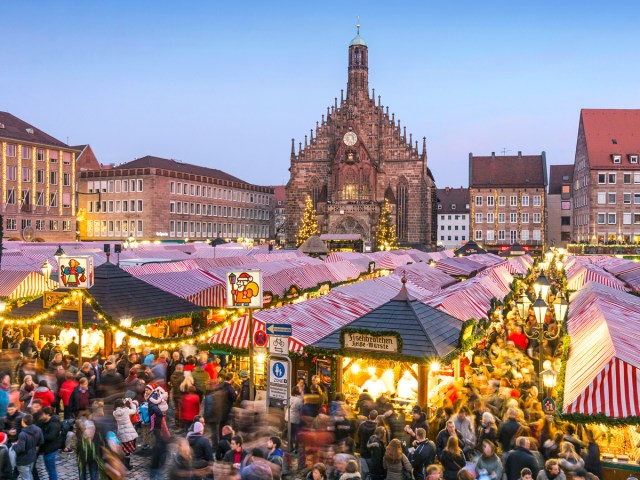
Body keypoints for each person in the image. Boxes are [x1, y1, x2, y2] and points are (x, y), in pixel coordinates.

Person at [13, 414, 44, 480]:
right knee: (29, 475)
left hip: (23, 460)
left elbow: (21, 449)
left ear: (23, 422)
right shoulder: (38, 429)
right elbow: (41, 441)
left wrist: (14, 446)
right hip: (32, 456)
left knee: (26, 478)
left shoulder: (22, 434)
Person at [113, 398, 138, 470]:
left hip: (121, 432)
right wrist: (131, 403)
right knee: (128, 450)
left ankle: (122, 463)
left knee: (123, 449)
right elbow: (134, 411)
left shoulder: (114, 413)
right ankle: (127, 465)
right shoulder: (126, 410)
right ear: (122, 404)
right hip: (128, 432)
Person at [38, 407, 61, 480]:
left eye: (42, 415)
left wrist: (40, 435)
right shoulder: (44, 422)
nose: (40, 417)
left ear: (47, 415)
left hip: (51, 450)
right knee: (49, 469)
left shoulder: (54, 425)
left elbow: (50, 437)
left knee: (51, 470)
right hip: (47, 450)